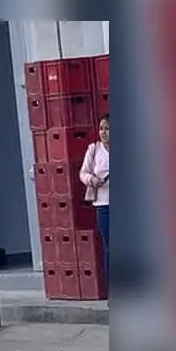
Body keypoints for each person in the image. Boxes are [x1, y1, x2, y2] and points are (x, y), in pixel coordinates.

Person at [80, 114, 110, 277]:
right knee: (109, 248)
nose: (103, 132)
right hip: (103, 204)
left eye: (107, 129)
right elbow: (83, 173)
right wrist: (92, 180)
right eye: (101, 129)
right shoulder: (94, 149)